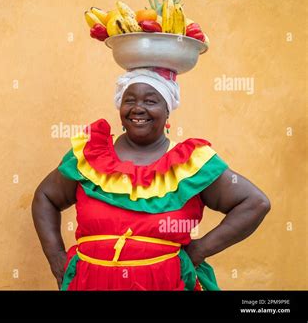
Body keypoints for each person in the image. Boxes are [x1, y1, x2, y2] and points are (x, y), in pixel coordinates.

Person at [32, 68, 270, 290]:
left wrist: (199, 250)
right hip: (88, 283)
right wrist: (56, 258)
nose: (138, 108)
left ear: (167, 110)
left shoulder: (190, 163)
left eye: (150, 101)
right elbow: (45, 197)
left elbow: (255, 203)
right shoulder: (90, 156)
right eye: (130, 100)